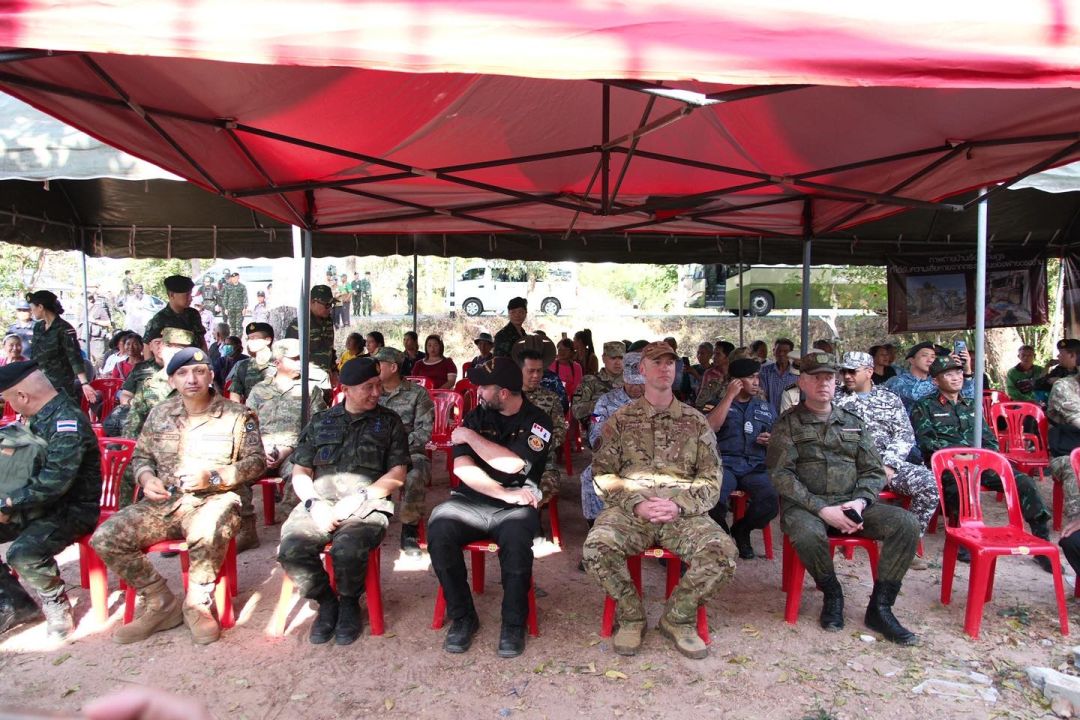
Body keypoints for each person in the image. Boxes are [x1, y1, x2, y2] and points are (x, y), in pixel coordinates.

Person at [91, 347, 266, 645]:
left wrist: (213, 477)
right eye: (182, 373)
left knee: (206, 529)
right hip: (165, 503)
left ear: (211, 375)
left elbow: (257, 463)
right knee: (106, 537)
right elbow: (142, 457)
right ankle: (160, 602)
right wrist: (146, 478)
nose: (192, 379)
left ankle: (197, 603)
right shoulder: (160, 413)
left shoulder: (237, 415)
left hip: (215, 500)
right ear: (172, 380)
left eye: (199, 371)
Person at [583, 341, 736, 659]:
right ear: (642, 370)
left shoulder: (695, 421)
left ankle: (678, 617)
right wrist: (636, 503)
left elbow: (712, 478)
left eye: (670, 362)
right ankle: (631, 616)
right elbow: (602, 473)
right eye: (656, 362)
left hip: (682, 514)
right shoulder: (621, 420)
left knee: (722, 552)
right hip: (630, 513)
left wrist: (679, 505)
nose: (664, 368)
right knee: (597, 547)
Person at [767, 351, 921, 645]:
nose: (823, 383)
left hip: (852, 503)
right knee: (806, 534)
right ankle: (832, 592)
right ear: (802, 382)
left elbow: (873, 470)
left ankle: (881, 607)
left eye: (829, 377)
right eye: (816, 377)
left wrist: (860, 503)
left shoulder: (852, 421)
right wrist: (823, 510)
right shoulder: (788, 424)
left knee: (906, 524)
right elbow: (781, 475)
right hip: (807, 507)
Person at [277, 357, 409, 645]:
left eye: (378, 385)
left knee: (348, 548)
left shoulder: (389, 422)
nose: (376, 392)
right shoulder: (321, 421)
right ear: (345, 389)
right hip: (320, 502)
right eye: (368, 387)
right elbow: (301, 471)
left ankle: (349, 601)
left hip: (367, 504)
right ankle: (326, 601)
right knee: (291, 548)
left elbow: (398, 474)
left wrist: (360, 498)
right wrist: (313, 503)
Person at [427, 357, 553, 658]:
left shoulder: (538, 422)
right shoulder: (477, 416)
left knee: (517, 542)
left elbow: (512, 464)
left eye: (484, 387)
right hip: (475, 500)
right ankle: (463, 617)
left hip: (515, 507)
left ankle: (513, 623)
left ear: (504, 393)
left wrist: (469, 437)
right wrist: (503, 493)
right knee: (439, 527)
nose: (478, 392)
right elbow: (462, 468)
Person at [911, 356, 1053, 569]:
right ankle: (963, 540)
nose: (956, 378)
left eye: (958, 372)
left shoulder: (972, 405)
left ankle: (1041, 541)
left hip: (980, 463)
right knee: (959, 484)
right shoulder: (924, 406)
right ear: (935, 381)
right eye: (948, 374)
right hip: (949, 465)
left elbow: (990, 440)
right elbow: (927, 442)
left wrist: (982, 458)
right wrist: (956, 457)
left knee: (1023, 482)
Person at [0, 361, 101, 639]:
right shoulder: (39, 416)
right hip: (38, 505)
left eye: (7, 399)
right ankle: (15, 604)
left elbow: (55, 483)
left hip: (72, 510)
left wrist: (8, 505)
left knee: (22, 553)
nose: (9, 406)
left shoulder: (65, 422)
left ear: (22, 396)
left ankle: (56, 603)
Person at [835, 351, 939, 560]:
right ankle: (842, 538)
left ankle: (904, 546)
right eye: (844, 371)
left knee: (929, 485)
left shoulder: (889, 398)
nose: (847, 376)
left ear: (869, 372)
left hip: (886, 464)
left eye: (852, 371)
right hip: (848, 465)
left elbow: (904, 435)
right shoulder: (833, 398)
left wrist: (889, 465)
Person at [704, 357, 778, 558]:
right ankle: (723, 534)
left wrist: (771, 440)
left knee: (772, 499)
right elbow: (710, 428)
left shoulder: (765, 407)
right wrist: (729, 396)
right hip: (725, 465)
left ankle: (742, 530)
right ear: (736, 381)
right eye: (751, 377)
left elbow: (779, 437)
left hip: (755, 466)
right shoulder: (716, 404)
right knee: (712, 497)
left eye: (757, 377)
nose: (756, 382)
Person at [245, 339, 328, 517]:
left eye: (302, 358)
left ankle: (292, 521)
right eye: (295, 359)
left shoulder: (310, 390)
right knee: (236, 475)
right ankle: (243, 525)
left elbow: (319, 426)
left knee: (300, 476)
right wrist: (260, 448)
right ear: (277, 362)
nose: (301, 363)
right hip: (261, 451)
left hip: (294, 452)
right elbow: (247, 425)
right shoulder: (259, 390)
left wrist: (289, 449)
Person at [374, 346, 434, 556]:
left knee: (415, 474)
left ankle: (409, 529)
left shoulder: (417, 394)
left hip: (409, 451)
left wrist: (396, 448)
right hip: (373, 450)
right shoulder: (370, 391)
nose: (374, 368)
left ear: (393, 367)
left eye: (378, 364)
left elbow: (424, 431)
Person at [579, 352, 646, 525]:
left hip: (649, 459)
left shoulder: (656, 401)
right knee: (590, 477)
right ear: (624, 379)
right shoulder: (606, 401)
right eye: (632, 383)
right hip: (613, 456)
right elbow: (596, 434)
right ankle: (596, 523)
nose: (637, 388)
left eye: (641, 383)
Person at [514, 336, 568, 505]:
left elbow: (559, 430)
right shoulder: (508, 396)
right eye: (531, 371)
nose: (536, 375)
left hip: (543, 462)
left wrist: (539, 446)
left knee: (541, 489)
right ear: (520, 370)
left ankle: (529, 515)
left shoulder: (551, 398)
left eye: (539, 371)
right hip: (510, 458)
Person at [26, 290, 98, 406]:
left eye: (32, 307)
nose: (31, 311)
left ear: (40, 307)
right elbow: (34, 355)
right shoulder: (38, 327)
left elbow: (75, 357)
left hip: (60, 385)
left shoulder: (64, 329)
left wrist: (84, 383)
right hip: (40, 383)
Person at [884, 340, 974, 413]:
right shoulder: (896, 381)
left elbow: (968, 399)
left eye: (933, 357)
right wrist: (942, 368)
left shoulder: (937, 381)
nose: (930, 360)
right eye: (925, 355)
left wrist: (967, 372)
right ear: (911, 360)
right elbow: (915, 395)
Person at [571, 341, 625, 438]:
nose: (617, 362)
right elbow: (576, 411)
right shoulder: (590, 381)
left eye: (621, 358)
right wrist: (601, 403)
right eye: (613, 358)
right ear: (603, 358)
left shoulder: (631, 382)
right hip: (599, 436)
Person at [285, 285, 338, 379]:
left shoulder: (328, 321)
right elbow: (289, 355)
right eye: (326, 305)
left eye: (331, 305)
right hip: (306, 379)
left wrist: (334, 370)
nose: (329, 308)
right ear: (312, 302)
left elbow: (329, 348)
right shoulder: (299, 325)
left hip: (325, 376)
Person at [142, 275, 207, 351]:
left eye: (190, 294)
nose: (190, 298)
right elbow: (147, 346)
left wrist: (206, 357)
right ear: (172, 295)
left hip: (196, 357)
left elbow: (202, 340)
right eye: (187, 295)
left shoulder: (193, 314)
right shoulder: (159, 319)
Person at [227, 322, 275, 403]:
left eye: (254, 338)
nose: (250, 342)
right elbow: (235, 394)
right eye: (248, 339)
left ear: (267, 340)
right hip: (251, 409)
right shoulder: (243, 366)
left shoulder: (280, 363)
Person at [758, 338, 798, 415]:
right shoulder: (764, 371)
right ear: (774, 351)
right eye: (778, 350)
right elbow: (762, 396)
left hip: (791, 417)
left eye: (785, 351)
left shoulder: (797, 374)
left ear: (791, 353)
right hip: (769, 416)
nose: (781, 354)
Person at [85, 293, 114, 363]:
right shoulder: (84, 310)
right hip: (85, 340)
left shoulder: (99, 309)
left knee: (99, 361)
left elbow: (108, 323)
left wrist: (95, 321)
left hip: (97, 340)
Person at [219, 272, 248, 337]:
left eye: (236, 278)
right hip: (230, 309)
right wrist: (225, 308)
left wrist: (245, 308)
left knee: (239, 326)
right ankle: (233, 339)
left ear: (238, 278)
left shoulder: (242, 287)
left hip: (239, 309)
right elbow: (226, 297)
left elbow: (245, 297)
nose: (235, 279)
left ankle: (239, 339)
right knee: (232, 326)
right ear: (231, 278)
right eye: (233, 278)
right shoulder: (228, 287)